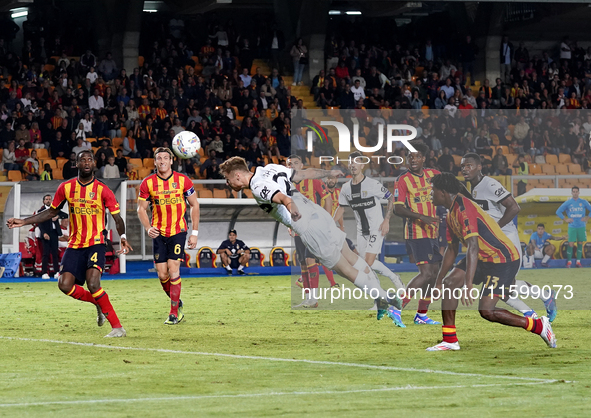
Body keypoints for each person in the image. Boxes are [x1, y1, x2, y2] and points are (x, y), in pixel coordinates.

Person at [219, 157, 402, 318]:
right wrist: (328, 172)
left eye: (228, 180)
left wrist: (293, 211)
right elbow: (304, 174)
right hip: (317, 212)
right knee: (351, 256)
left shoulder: (258, 186)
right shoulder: (269, 168)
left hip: (306, 224)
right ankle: (381, 300)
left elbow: (282, 198)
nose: (228, 184)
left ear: (237, 176)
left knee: (345, 270)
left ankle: (386, 298)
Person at [7, 150, 133, 338]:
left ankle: (118, 327)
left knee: (93, 283)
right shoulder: (66, 188)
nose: (87, 162)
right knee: (64, 285)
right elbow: (50, 212)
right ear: (77, 164)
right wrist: (24, 221)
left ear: (94, 164)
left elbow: (117, 217)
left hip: (96, 242)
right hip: (75, 244)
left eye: (90, 159)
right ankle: (98, 303)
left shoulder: (102, 189)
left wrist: (122, 236)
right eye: (83, 160)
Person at [426, 172, 556, 351]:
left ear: (442, 192)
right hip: (482, 257)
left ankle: (539, 326)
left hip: (502, 258)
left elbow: (473, 246)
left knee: (486, 311)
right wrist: (439, 280)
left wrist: (468, 285)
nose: (430, 194)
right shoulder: (450, 214)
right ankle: (450, 340)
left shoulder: (464, 208)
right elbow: (452, 249)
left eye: (432, 190)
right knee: (450, 282)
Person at [457, 153, 557, 321]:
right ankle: (539, 305)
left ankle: (534, 310)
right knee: (500, 285)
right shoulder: (473, 188)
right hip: (493, 242)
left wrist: (495, 229)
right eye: (462, 167)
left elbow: (514, 207)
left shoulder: (489, 184)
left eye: (469, 166)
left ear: (479, 167)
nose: (465, 169)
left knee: (501, 285)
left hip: (506, 239)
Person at [335, 151, 406, 323]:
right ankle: (379, 299)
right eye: (350, 162)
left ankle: (394, 278)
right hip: (361, 231)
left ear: (362, 165)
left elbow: (390, 200)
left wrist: (387, 220)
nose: (352, 165)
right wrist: (330, 225)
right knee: (366, 266)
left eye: (356, 162)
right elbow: (341, 209)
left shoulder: (372, 184)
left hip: (376, 228)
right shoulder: (346, 189)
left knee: (368, 262)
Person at [137, 147, 200, 325]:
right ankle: (176, 301)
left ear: (172, 161)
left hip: (177, 231)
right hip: (158, 233)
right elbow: (141, 209)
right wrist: (148, 228)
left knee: (173, 269)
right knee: (162, 273)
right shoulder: (147, 183)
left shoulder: (183, 181)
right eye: (159, 158)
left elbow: (195, 205)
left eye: (166, 158)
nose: (163, 161)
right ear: (155, 162)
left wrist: (194, 233)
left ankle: (174, 313)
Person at [393, 143, 442, 325]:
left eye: (417, 156)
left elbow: (451, 188)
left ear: (424, 159)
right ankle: (397, 307)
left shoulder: (434, 175)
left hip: (433, 232)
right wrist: (422, 217)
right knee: (426, 273)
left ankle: (421, 315)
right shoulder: (403, 180)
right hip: (416, 232)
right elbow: (398, 208)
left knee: (434, 274)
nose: (413, 160)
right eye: (410, 156)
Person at [287, 155, 338, 307]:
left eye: (296, 163)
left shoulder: (313, 180)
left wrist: (328, 221)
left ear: (301, 165)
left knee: (310, 260)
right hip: (297, 227)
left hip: (312, 227)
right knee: (302, 262)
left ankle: (314, 298)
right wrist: (288, 225)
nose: (293, 166)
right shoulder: (286, 184)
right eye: (290, 164)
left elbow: (327, 198)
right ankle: (309, 298)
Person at [556, 186, 591, 268]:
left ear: (579, 192)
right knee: (571, 243)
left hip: (581, 226)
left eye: (576, 192)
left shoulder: (583, 202)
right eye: (574, 192)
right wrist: (565, 219)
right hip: (572, 226)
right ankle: (569, 262)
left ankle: (578, 262)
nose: (575, 193)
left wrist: (587, 218)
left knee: (580, 243)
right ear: (571, 193)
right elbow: (558, 211)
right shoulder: (568, 202)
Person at [37, 194, 63, 279]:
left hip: (54, 233)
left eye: (50, 199)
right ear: (43, 201)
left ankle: (56, 272)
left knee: (55, 253)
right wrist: (44, 233)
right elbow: (40, 223)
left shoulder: (55, 210)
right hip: (46, 233)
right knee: (46, 253)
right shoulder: (41, 211)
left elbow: (65, 215)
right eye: (46, 199)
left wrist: (58, 216)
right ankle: (44, 272)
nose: (48, 201)